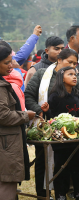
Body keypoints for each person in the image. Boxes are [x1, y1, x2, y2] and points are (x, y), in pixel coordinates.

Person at [25, 49, 79, 199]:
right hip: (48, 129)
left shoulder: (77, 83)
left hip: (73, 135)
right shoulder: (42, 74)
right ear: (59, 60)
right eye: (70, 63)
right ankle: (44, 195)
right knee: (46, 162)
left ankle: (73, 192)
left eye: (75, 64)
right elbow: (28, 94)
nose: (74, 67)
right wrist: (40, 111)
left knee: (75, 164)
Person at [41, 66, 79, 200]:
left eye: (75, 75)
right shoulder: (54, 96)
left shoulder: (77, 94)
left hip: (76, 137)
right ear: (62, 78)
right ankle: (60, 194)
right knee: (62, 167)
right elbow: (51, 118)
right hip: (60, 139)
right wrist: (46, 111)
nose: (74, 77)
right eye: (70, 74)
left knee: (78, 166)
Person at [0, 44, 35, 200]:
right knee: (6, 184)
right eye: (6, 62)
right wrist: (26, 115)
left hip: (6, 142)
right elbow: (4, 116)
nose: (11, 65)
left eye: (11, 61)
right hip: (5, 143)